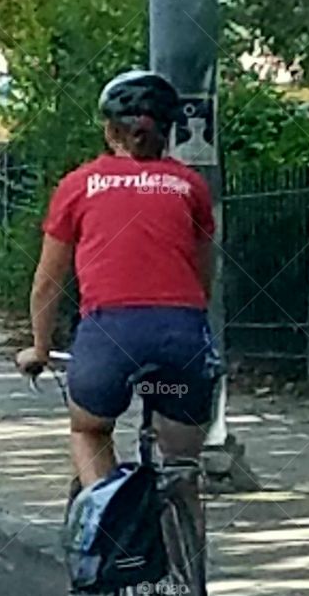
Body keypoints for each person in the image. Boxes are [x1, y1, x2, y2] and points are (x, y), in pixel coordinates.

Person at [16, 70, 220, 496]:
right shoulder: (191, 186)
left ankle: (109, 519)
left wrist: (38, 347)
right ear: (168, 133)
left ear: (110, 131)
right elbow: (203, 275)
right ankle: (183, 541)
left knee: (89, 430)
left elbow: (47, 283)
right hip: (181, 335)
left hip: (110, 335)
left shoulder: (78, 186)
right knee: (182, 460)